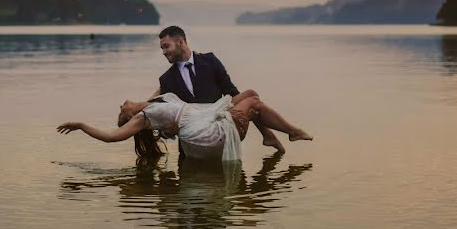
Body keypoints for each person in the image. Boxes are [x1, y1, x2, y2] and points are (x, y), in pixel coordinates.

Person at [56, 90, 311, 162]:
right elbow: (111, 137)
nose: (121, 104)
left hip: (204, 138)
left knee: (249, 95)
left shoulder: (155, 102)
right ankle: (293, 132)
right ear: (128, 116)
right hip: (211, 135)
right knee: (254, 102)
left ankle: (270, 138)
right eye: (121, 111)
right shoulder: (143, 116)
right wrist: (80, 124)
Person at [154, 25, 286, 154]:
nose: (164, 52)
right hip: (193, 138)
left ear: (180, 42)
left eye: (166, 46)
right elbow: (165, 122)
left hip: (218, 127)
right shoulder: (166, 79)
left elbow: (231, 92)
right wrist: (167, 131)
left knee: (251, 96)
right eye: (162, 48)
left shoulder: (209, 61)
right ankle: (270, 135)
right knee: (252, 96)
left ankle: (268, 135)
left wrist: (241, 117)